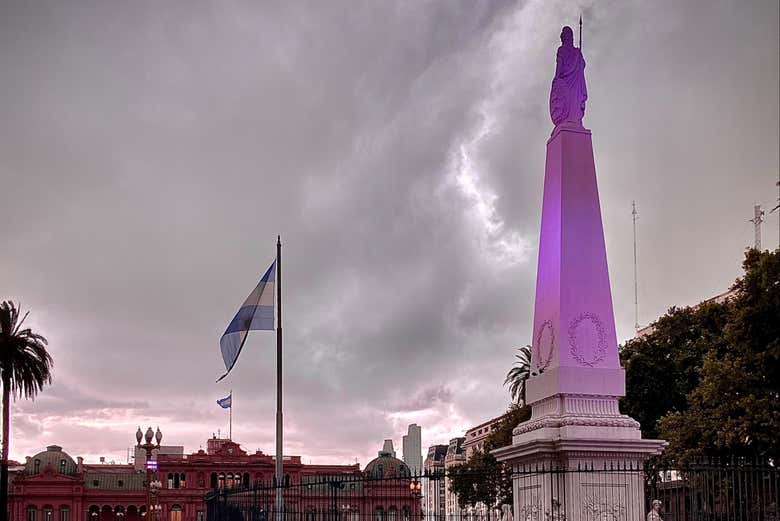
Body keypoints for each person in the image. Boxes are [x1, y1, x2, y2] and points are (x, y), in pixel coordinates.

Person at [549, 26, 587, 128]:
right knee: (574, 101)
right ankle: (574, 122)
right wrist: (578, 59)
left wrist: (556, 79)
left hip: (566, 82)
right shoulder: (577, 52)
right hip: (574, 84)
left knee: (567, 101)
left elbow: (560, 65)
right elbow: (583, 65)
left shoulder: (562, 50)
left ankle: (568, 121)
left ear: (563, 38)